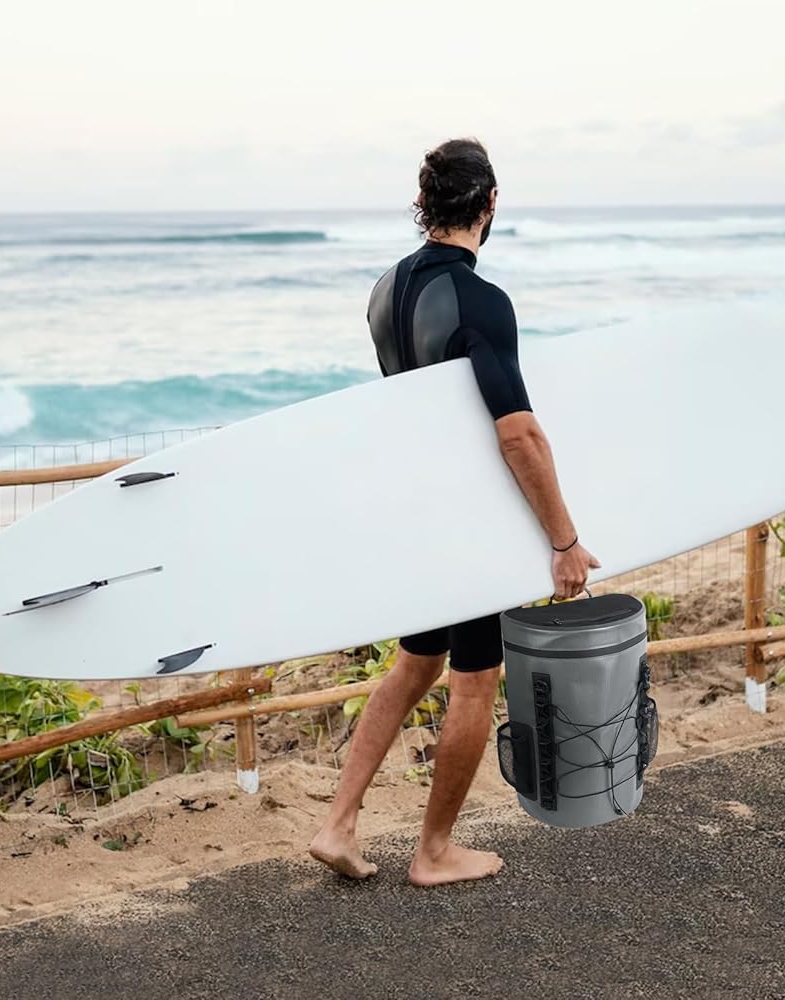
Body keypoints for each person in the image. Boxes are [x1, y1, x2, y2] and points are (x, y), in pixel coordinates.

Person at [309, 138, 600, 886]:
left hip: (417, 513)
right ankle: (434, 851)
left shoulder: (385, 290)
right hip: (468, 525)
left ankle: (337, 826)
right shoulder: (481, 301)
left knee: (414, 664)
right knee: (474, 679)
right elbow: (518, 433)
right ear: (490, 202)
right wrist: (564, 540)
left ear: (424, 201)